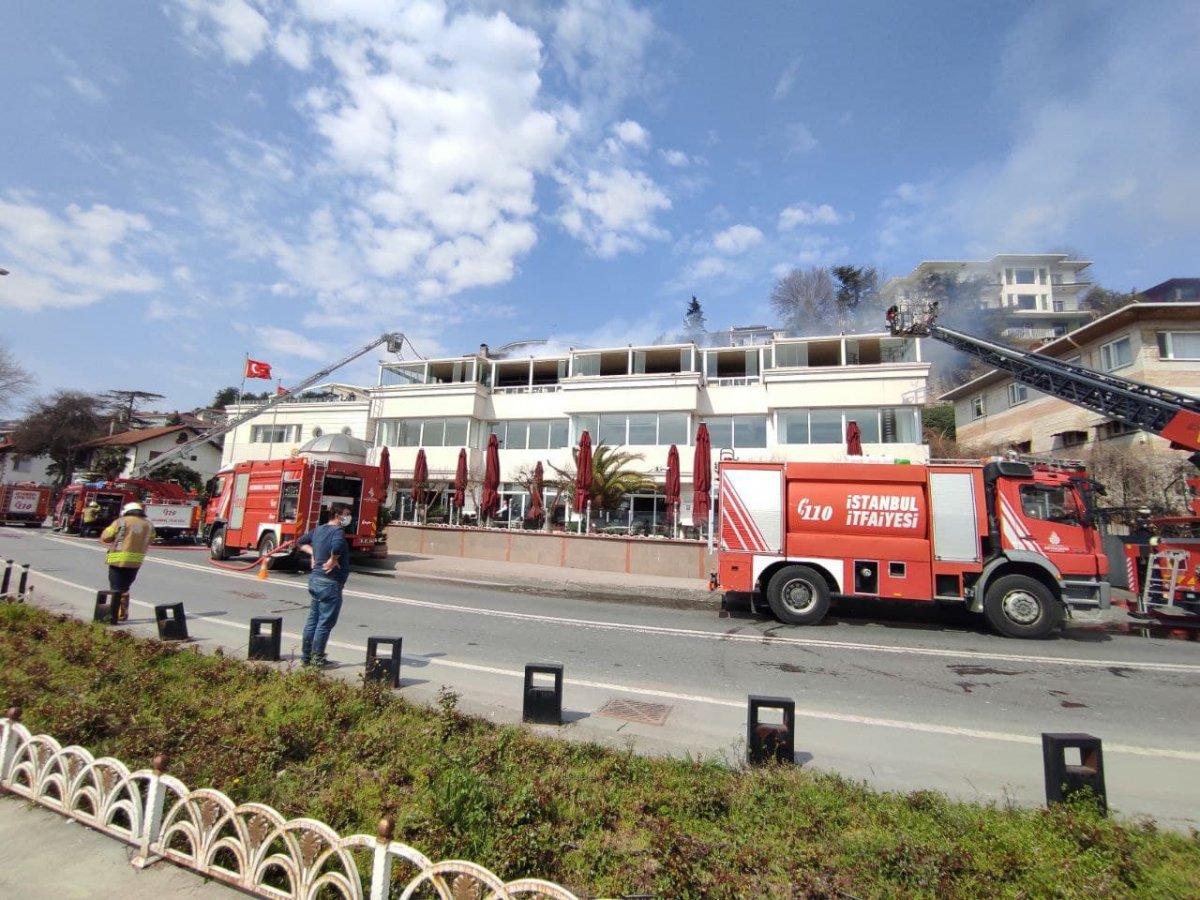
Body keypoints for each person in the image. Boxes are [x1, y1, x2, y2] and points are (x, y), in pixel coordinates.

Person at [296, 503, 352, 668]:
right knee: (324, 623)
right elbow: (338, 545)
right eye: (346, 514)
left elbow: (300, 542)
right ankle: (317, 658)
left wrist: (314, 553)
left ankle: (306, 657)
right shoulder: (337, 531)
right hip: (330, 583)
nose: (348, 518)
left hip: (315, 580)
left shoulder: (319, 530)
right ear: (337, 515)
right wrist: (333, 559)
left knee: (313, 620)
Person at [99, 501, 156, 622]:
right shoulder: (149, 524)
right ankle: (122, 613)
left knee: (115, 588)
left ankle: (113, 615)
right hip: (136, 562)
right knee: (125, 588)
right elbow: (151, 539)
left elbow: (106, 536)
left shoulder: (121, 521)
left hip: (117, 559)